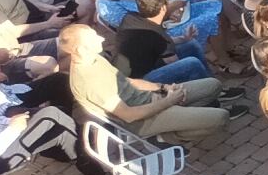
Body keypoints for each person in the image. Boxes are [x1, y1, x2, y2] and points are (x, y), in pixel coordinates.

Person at [61, 22, 227, 143]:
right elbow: (129, 115)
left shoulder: (93, 58)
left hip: (150, 99)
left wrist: (163, 88)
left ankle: (180, 117)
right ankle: (165, 138)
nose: (101, 38)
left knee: (213, 86)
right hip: (142, 121)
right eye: (93, 38)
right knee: (221, 117)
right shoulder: (90, 81)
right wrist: (168, 102)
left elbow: (129, 81)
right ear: (80, 49)